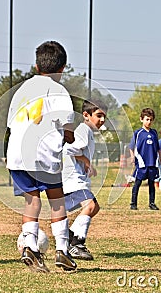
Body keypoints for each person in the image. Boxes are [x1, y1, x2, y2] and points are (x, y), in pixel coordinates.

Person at [6, 41, 77, 272]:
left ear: (37, 65)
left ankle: (29, 246)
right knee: (56, 201)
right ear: (63, 68)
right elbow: (68, 129)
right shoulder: (60, 91)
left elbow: (11, 124)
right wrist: (68, 137)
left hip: (17, 155)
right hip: (43, 156)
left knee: (32, 200)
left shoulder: (21, 90)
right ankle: (62, 251)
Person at [62, 99, 107, 261]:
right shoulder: (84, 130)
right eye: (99, 115)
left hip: (78, 179)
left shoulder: (88, 131)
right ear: (86, 115)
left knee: (95, 208)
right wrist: (87, 162)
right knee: (91, 206)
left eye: (104, 117)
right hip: (73, 179)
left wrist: (87, 164)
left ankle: (70, 236)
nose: (102, 120)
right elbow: (68, 149)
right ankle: (76, 244)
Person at [129, 108, 161, 210]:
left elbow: (157, 148)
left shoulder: (154, 133)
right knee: (138, 183)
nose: (149, 122)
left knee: (152, 183)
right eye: (147, 119)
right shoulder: (138, 133)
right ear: (141, 119)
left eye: (151, 120)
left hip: (152, 162)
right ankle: (133, 203)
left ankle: (152, 203)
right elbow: (131, 147)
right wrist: (132, 157)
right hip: (141, 163)